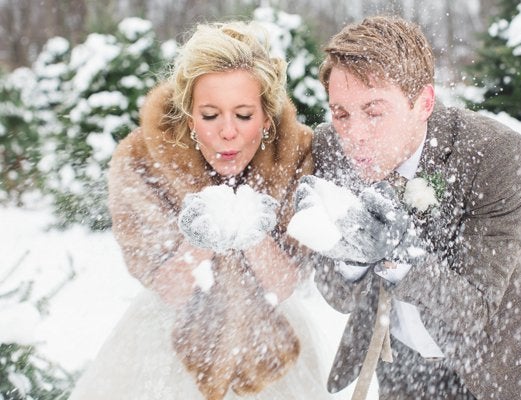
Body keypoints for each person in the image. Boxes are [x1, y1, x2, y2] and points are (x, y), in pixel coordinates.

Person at [291, 15, 521, 400]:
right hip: (404, 372)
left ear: (423, 103)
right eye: (341, 113)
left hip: (503, 372)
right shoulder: (328, 150)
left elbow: (473, 307)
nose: (353, 134)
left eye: (374, 111)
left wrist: (395, 255)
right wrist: (350, 251)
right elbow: (340, 296)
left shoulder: (494, 154)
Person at [68, 21, 332, 400]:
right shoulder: (145, 161)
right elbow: (170, 290)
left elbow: (286, 283)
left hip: (269, 339)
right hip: (167, 345)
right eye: (210, 115)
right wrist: (201, 240)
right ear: (189, 116)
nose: (228, 132)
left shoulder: (294, 157)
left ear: (267, 118)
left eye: (243, 115)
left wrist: (250, 233)